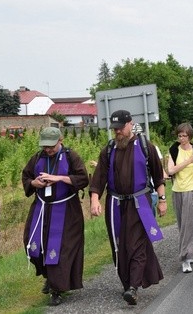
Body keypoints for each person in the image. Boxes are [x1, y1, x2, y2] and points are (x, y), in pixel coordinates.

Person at [89, 110, 167, 305]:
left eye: (120, 128)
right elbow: (98, 178)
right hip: (115, 204)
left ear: (130, 124)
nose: (117, 132)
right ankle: (127, 284)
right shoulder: (108, 150)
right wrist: (94, 199)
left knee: (136, 244)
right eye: (114, 129)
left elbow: (158, 176)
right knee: (118, 245)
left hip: (140, 203)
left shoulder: (145, 147)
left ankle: (133, 287)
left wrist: (163, 200)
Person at [22, 127, 89, 306]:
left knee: (60, 249)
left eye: (51, 146)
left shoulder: (71, 156)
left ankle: (56, 290)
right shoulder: (37, 158)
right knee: (33, 244)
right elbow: (26, 177)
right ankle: (49, 277)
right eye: (45, 146)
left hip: (67, 210)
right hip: (42, 208)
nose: (48, 150)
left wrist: (59, 178)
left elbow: (83, 178)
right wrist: (34, 183)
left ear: (61, 140)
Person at [167, 123, 193, 273]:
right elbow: (171, 170)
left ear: (190, 136)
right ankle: (191, 249)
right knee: (182, 225)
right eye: (179, 135)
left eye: (185, 135)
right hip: (177, 191)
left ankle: (185, 257)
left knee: (189, 224)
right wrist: (188, 161)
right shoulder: (173, 150)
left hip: (192, 190)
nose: (182, 138)